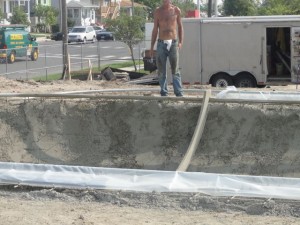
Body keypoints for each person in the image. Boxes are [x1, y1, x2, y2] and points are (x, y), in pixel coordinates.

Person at [150, 0, 184, 97]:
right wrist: (152, 46)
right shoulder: (157, 11)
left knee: (175, 70)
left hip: (173, 43)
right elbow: (155, 29)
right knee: (161, 71)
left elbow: (180, 26)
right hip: (161, 43)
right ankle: (164, 93)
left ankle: (179, 93)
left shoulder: (176, 10)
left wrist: (181, 42)